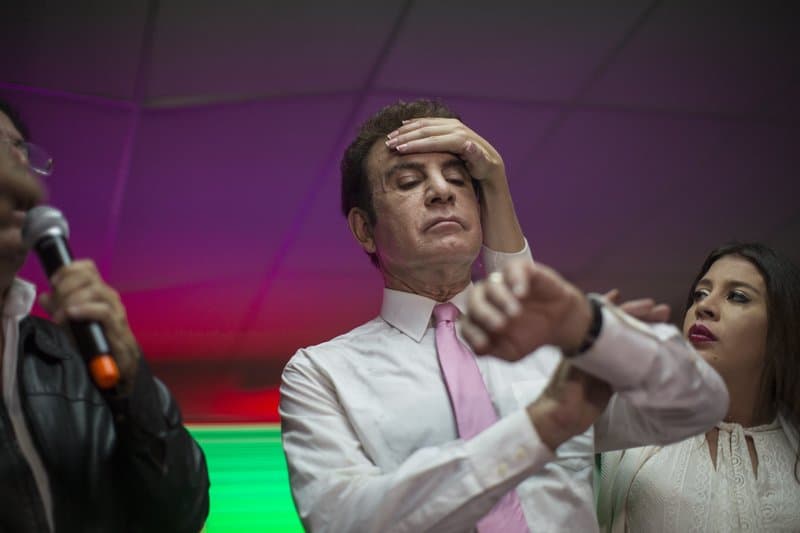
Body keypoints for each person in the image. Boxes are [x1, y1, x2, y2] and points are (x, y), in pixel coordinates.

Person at [279, 99, 729, 532]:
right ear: (364, 229)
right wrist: (539, 428)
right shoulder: (321, 373)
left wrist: (592, 329)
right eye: (408, 181)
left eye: (457, 179)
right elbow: (340, 521)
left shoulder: (562, 343)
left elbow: (699, 405)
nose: (440, 191)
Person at [0, 98, 210, 532]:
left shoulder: (74, 355)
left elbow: (180, 515)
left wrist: (134, 385)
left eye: (20, 148)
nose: (16, 162)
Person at [594, 243, 800, 532]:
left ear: (782, 328)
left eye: (737, 296)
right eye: (700, 294)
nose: (703, 306)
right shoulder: (634, 423)